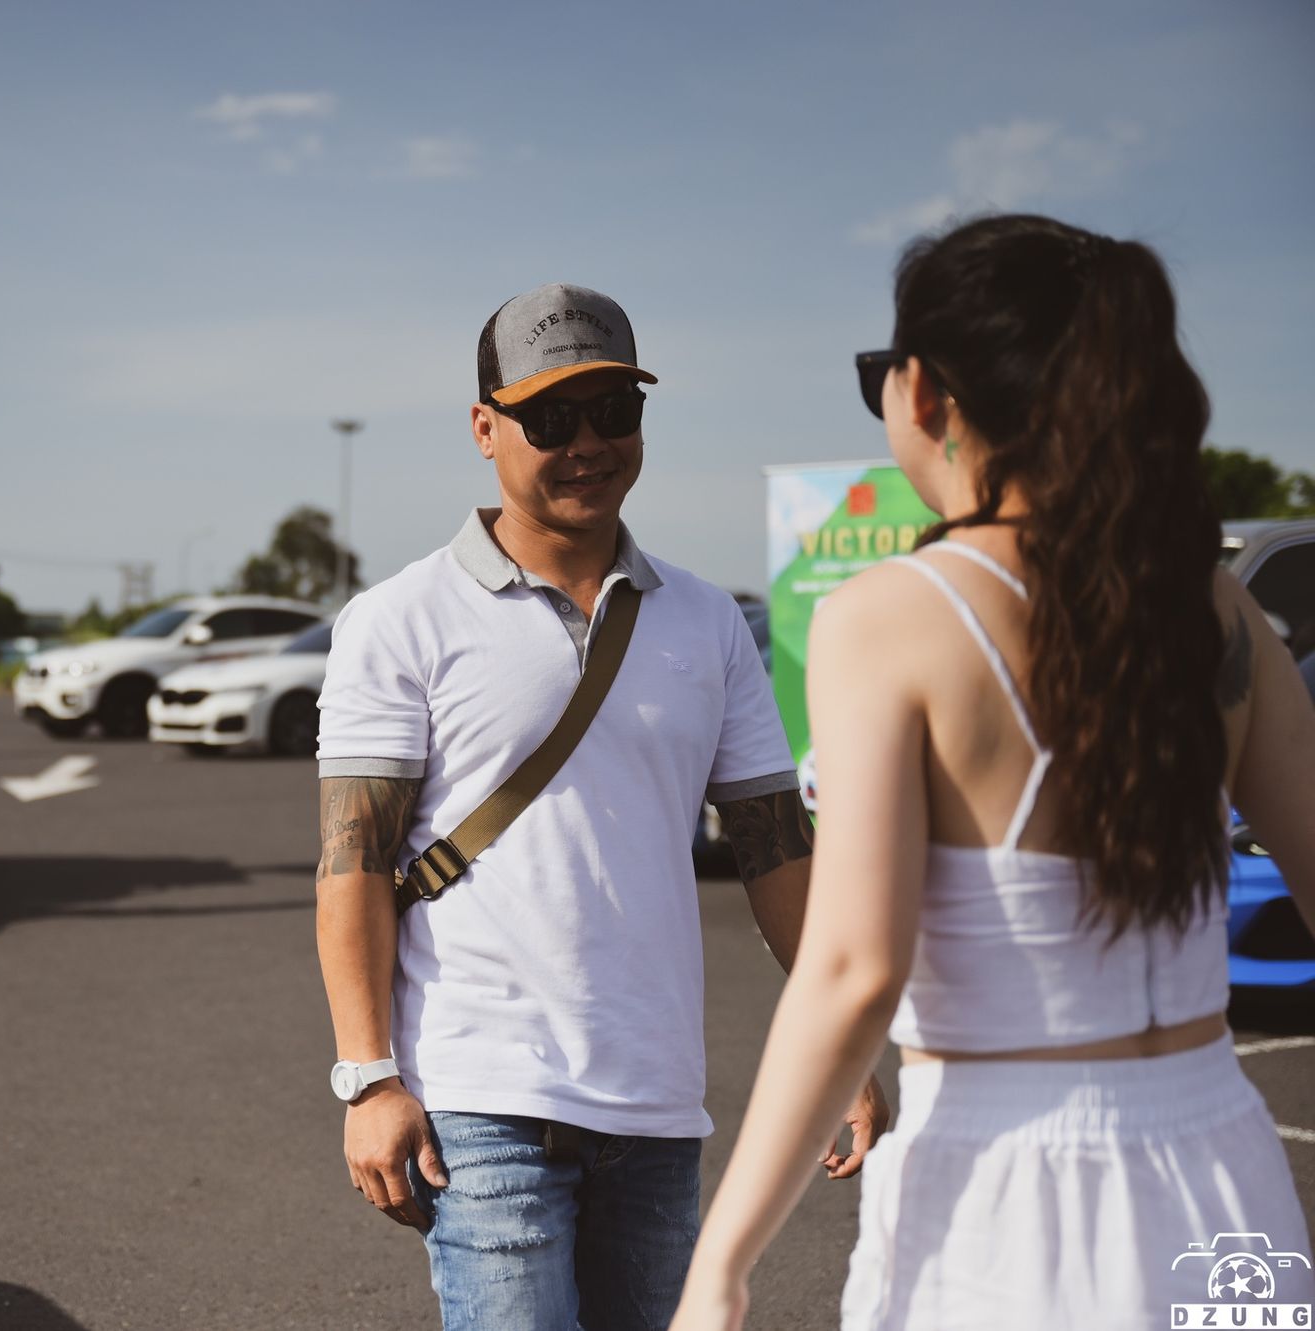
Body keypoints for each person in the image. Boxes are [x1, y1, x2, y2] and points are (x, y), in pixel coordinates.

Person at [670, 215, 1315, 1331]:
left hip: (1007, 1199)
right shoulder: (1217, 608)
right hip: (1224, 1177)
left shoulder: (893, 615)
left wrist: (720, 1264)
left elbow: (852, 971)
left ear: (926, 392)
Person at [315, 282, 887, 1331]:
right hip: (479, 1101)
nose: (587, 442)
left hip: (656, 1102)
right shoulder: (399, 618)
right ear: (485, 427)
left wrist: (839, 1043)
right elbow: (354, 857)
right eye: (550, 418)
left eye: (613, 409)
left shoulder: (707, 621)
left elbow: (775, 848)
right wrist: (368, 1077)